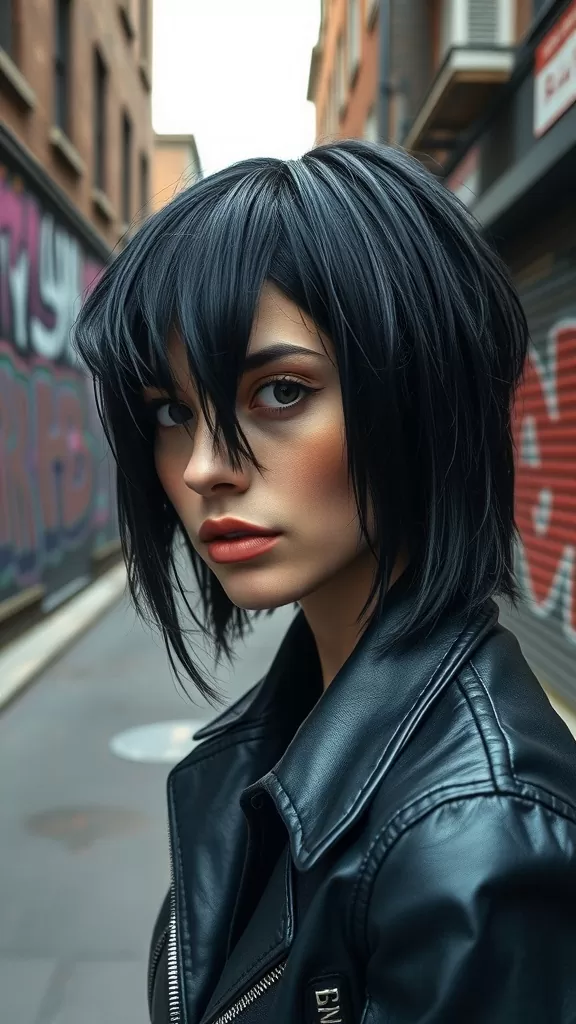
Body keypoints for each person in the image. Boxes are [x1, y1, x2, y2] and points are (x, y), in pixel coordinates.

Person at [74, 140, 576, 1024]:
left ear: (422, 393)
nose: (202, 467)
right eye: (172, 411)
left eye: (279, 392)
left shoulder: (479, 838)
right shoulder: (299, 716)